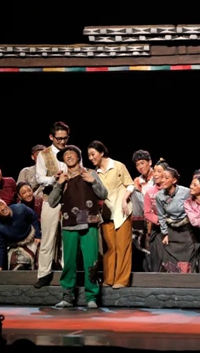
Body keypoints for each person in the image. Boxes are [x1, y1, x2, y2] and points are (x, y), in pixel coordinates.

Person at [48, 145, 108, 309]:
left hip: (88, 222)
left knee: (91, 261)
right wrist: (59, 184)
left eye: (71, 153)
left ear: (78, 156)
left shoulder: (90, 173)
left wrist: (93, 181)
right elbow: (52, 202)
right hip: (69, 224)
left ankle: (91, 297)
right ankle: (67, 297)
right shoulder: (63, 177)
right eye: (65, 154)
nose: (68, 156)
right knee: (69, 263)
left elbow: (104, 194)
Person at [87, 140, 135, 289]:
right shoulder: (94, 173)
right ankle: (109, 279)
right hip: (106, 213)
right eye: (89, 155)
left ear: (101, 152)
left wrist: (125, 200)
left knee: (123, 246)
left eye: (93, 154)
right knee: (109, 248)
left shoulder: (118, 166)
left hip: (122, 211)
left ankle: (122, 280)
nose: (91, 158)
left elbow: (130, 184)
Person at [34, 121, 70, 288]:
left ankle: (67, 272)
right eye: (59, 138)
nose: (62, 141)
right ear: (51, 137)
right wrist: (53, 178)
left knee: (67, 239)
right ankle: (44, 274)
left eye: (65, 138)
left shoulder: (72, 152)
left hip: (69, 200)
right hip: (50, 199)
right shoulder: (44, 154)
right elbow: (39, 177)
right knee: (48, 237)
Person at [155, 166, 200, 273]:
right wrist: (165, 233)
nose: (163, 180)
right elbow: (161, 216)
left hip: (186, 229)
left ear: (174, 180)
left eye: (166, 178)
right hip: (171, 229)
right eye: (162, 178)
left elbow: (194, 207)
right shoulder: (159, 196)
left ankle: (188, 277)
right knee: (170, 254)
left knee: (188, 254)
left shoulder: (186, 192)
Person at [0, 195, 41, 271]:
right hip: (15, 245)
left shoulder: (20, 208)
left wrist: (38, 235)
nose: (2, 208)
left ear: (4, 202)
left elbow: (34, 216)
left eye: (1, 204)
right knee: (16, 262)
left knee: (41, 258)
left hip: (31, 238)